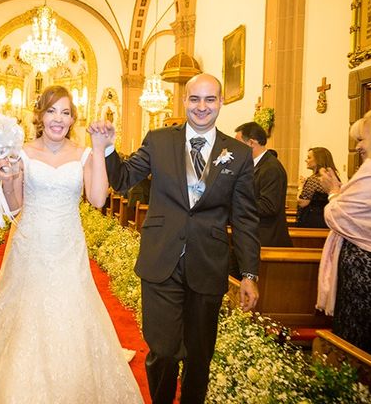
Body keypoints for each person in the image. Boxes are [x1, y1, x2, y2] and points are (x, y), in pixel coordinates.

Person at [0, 85, 142, 403]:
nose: (58, 119)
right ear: (40, 115)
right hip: (30, 244)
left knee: (71, 309)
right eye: (52, 111)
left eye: (65, 112)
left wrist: (98, 148)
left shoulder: (82, 153)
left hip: (68, 245)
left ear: (72, 118)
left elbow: (96, 199)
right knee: (26, 311)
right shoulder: (22, 152)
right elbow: (14, 208)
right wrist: (9, 178)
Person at [89, 73, 260, 404]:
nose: (201, 107)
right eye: (194, 99)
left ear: (221, 103)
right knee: (164, 351)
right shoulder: (159, 140)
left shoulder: (237, 154)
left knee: (199, 356)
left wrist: (249, 273)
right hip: (161, 259)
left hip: (207, 263)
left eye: (210, 100)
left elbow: (245, 218)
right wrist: (107, 147)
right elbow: (123, 180)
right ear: (184, 101)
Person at [317, 105, 371, 359]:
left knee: (357, 343)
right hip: (366, 267)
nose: (357, 146)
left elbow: (336, 216)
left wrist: (334, 193)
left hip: (366, 272)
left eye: (361, 139)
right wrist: (339, 192)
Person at [235, 121, 291, 247]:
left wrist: (237, 204)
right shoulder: (255, 165)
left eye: (238, 144)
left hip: (266, 238)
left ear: (251, 143)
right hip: (254, 235)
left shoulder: (271, 168)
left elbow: (268, 206)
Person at [296, 147, 339, 228]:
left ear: (318, 160)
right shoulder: (332, 177)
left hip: (314, 220)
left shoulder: (314, 179)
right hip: (327, 219)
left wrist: (300, 187)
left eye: (309, 158)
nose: (306, 160)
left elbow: (302, 202)